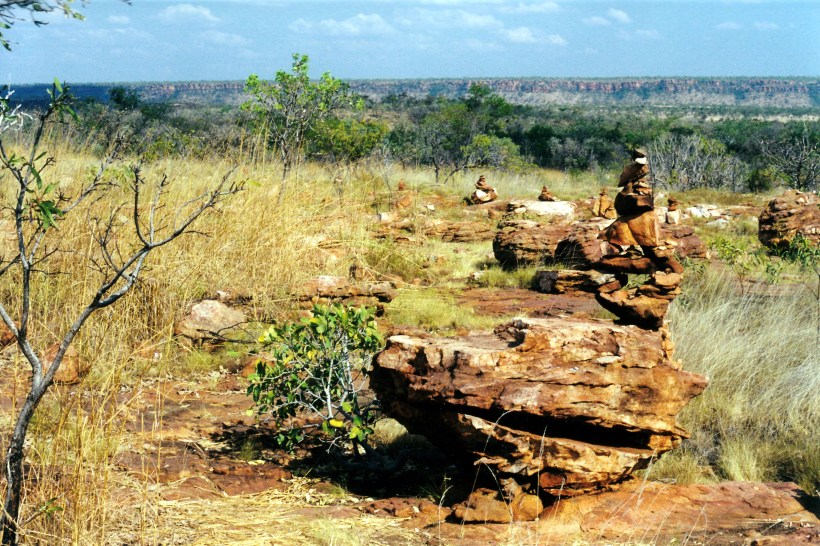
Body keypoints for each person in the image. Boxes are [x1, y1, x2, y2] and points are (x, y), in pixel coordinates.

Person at [604, 149, 682, 273]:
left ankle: (666, 268)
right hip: (631, 203)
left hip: (635, 206)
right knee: (647, 244)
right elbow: (624, 185)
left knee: (650, 246)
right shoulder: (632, 170)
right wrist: (632, 191)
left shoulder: (640, 169)